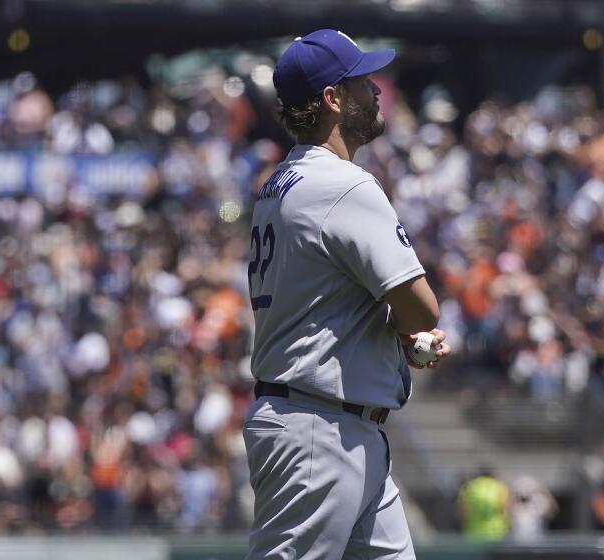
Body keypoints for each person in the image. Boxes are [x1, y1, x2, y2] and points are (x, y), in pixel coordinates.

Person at [242, 29, 451, 560]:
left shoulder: (280, 183)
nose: (377, 89)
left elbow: (329, 302)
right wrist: (407, 327)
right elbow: (422, 306)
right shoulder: (342, 184)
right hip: (318, 428)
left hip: (338, 424)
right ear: (332, 99)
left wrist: (389, 331)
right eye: (362, 81)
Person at [457, 468, 511, 540]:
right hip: (496, 531)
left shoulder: (469, 486)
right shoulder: (499, 486)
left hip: (473, 531)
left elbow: (462, 511)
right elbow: (505, 510)